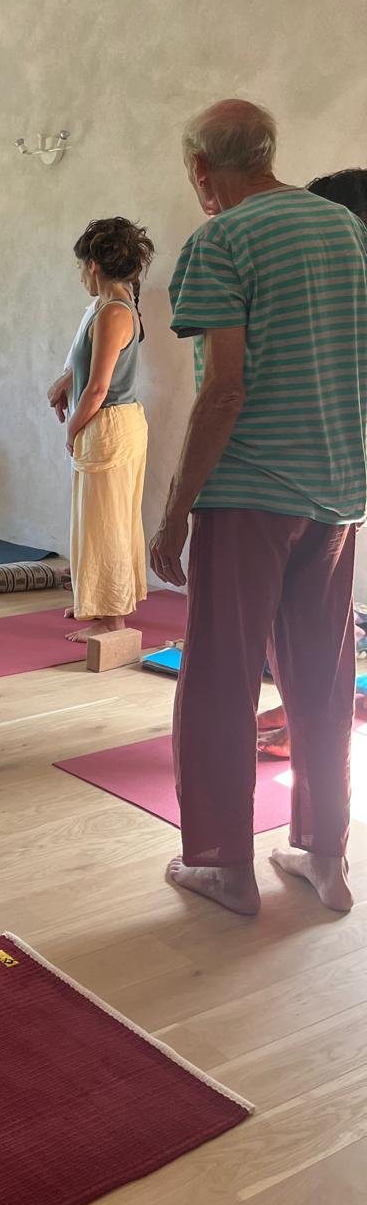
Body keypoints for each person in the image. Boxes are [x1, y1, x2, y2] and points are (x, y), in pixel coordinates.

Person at [150, 101, 367, 916]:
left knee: (219, 678)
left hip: (250, 494)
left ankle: (223, 865)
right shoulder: (349, 231)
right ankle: (324, 856)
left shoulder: (220, 239)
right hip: (339, 494)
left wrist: (176, 512)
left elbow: (225, 389)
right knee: (321, 676)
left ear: (203, 171)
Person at [256, 167, 367, 759]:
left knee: (318, 624)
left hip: (330, 482)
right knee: (304, 619)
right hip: (328, 480)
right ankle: (301, 716)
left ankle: (309, 726)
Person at [50, 218, 153, 641]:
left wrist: (72, 430)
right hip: (114, 424)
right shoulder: (112, 306)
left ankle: (112, 621)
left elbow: (98, 387)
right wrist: (64, 381)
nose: (80, 278)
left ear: (93, 265)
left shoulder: (113, 311)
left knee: (106, 523)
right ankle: (99, 605)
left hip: (108, 424)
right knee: (99, 520)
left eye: (80, 269)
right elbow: (87, 370)